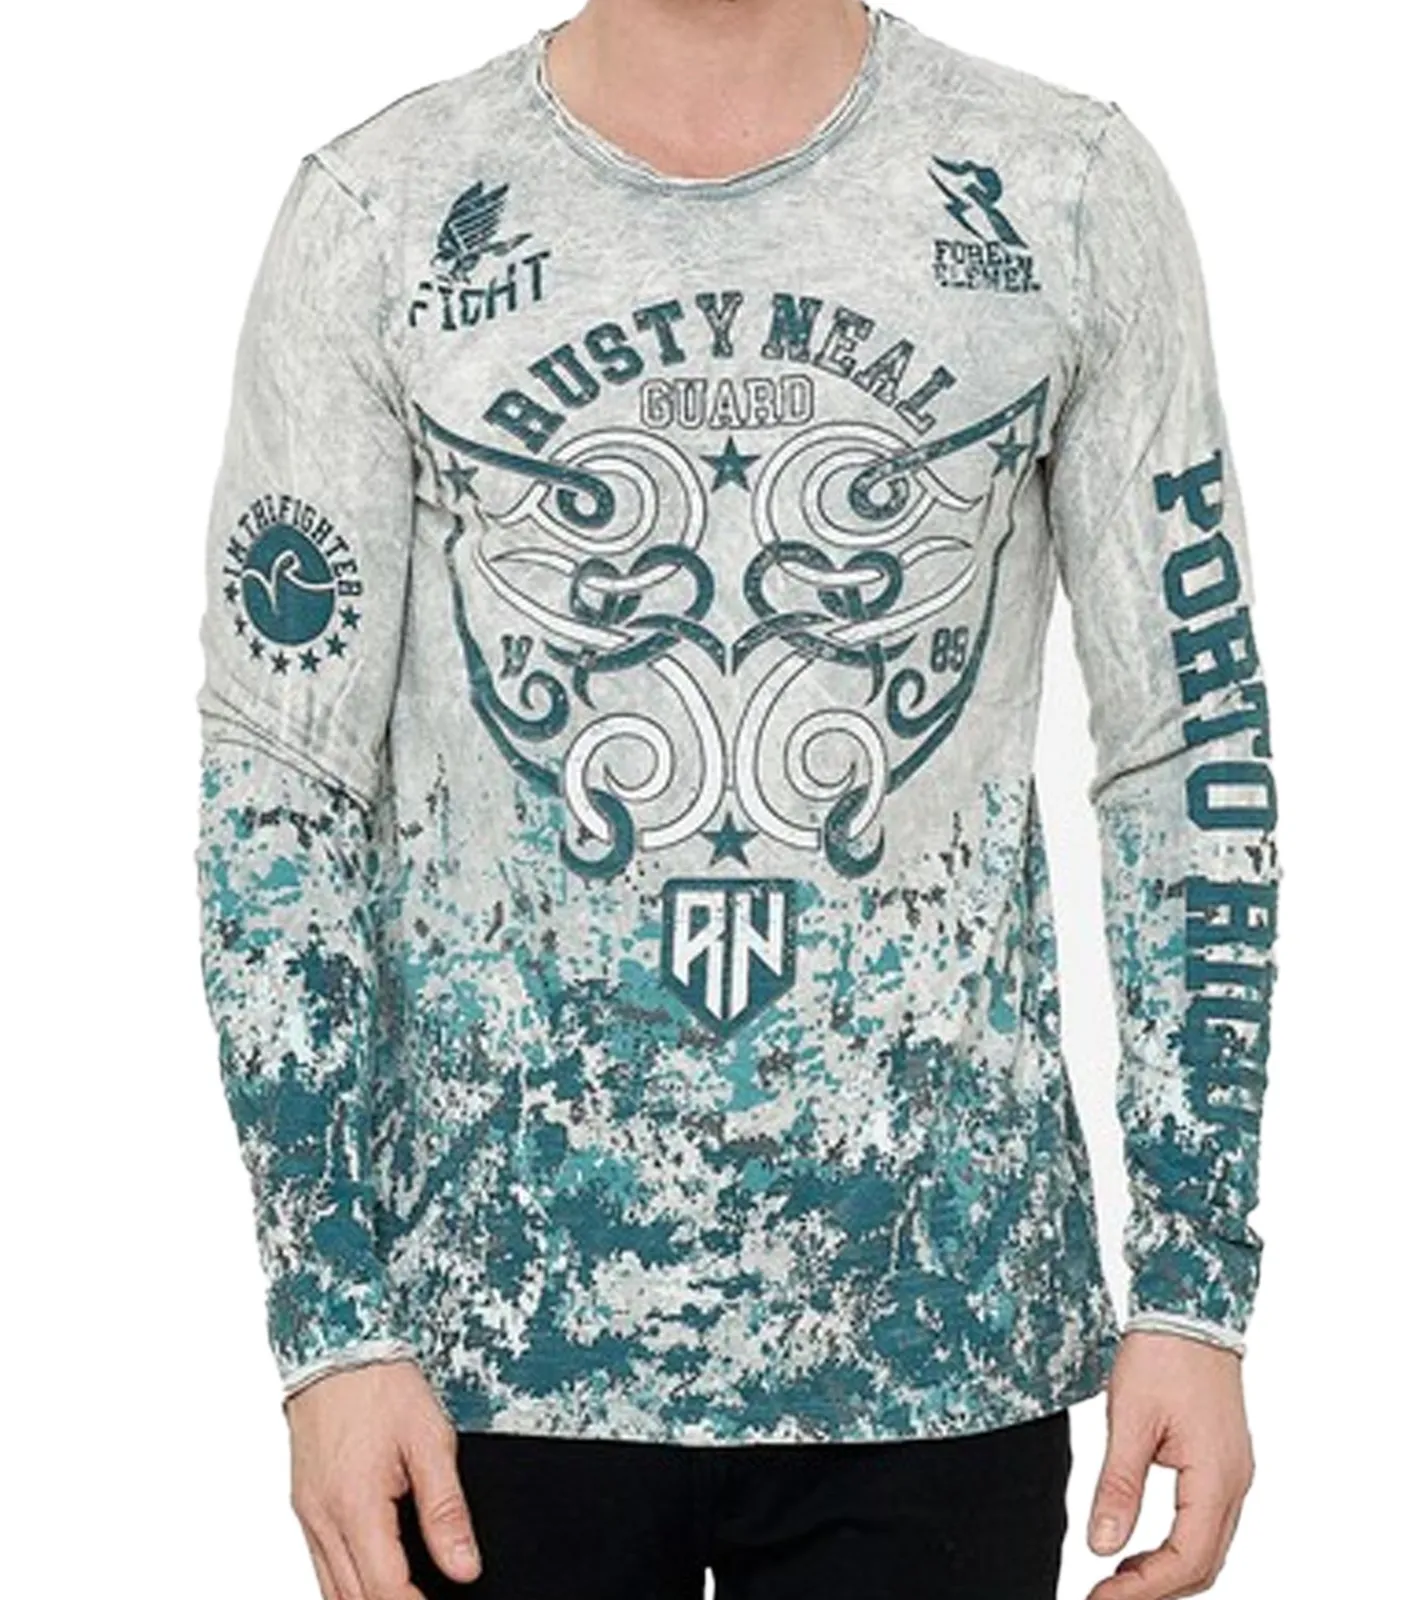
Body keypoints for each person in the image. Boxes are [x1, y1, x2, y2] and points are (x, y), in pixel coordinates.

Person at [192, 1, 1279, 1596]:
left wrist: (1194, 1288)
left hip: (940, 1348)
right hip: (481, 1368)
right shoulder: (383, 208)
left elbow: (1189, 751)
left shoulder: (1060, 187)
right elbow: (279, 786)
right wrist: (329, 1323)